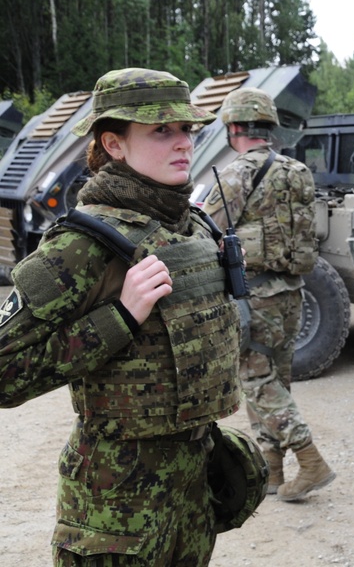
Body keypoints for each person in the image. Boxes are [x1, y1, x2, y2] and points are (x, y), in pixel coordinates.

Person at [0, 67, 244, 565]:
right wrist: (120, 317)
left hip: (191, 490)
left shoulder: (192, 225)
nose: (183, 143)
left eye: (187, 129)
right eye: (161, 130)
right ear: (113, 144)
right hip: (115, 507)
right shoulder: (81, 247)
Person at [202, 87, 335, 502]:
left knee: (256, 382)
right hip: (292, 294)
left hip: (253, 298)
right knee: (276, 380)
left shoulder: (235, 175)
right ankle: (272, 470)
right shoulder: (297, 171)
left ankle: (310, 460)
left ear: (234, 127)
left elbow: (206, 234)